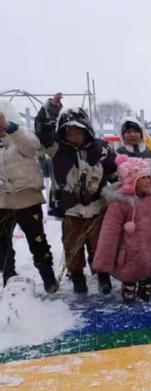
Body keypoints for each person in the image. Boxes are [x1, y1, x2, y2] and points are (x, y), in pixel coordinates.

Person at [35, 93, 117, 294]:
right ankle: (77, 277)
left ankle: (102, 274)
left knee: (99, 244)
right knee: (73, 245)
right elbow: (43, 131)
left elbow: (113, 170)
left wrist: (118, 190)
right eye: (69, 132)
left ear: (86, 130)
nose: (74, 136)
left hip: (96, 205)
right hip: (70, 207)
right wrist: (52, 110)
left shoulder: (101, 148)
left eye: (78, 132)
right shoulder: (57, 149)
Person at [93, 155, 151, 302]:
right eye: (143, 177)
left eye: (149, 177)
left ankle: (146, 289)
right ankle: (129, 289)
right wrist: (105, 258)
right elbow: (110, 231)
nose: (149, 181)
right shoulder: (120, 204)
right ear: (131, 181)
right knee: (130, 271)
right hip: (129, 249)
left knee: (150, 268)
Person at [0, 102, 58, 293]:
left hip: (26, 198)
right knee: (2, 242)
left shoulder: (20, 140)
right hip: (2, 200)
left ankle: (48, 277)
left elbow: (34, 146)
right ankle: (9, 277)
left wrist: (9, 127)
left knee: (37, 240)